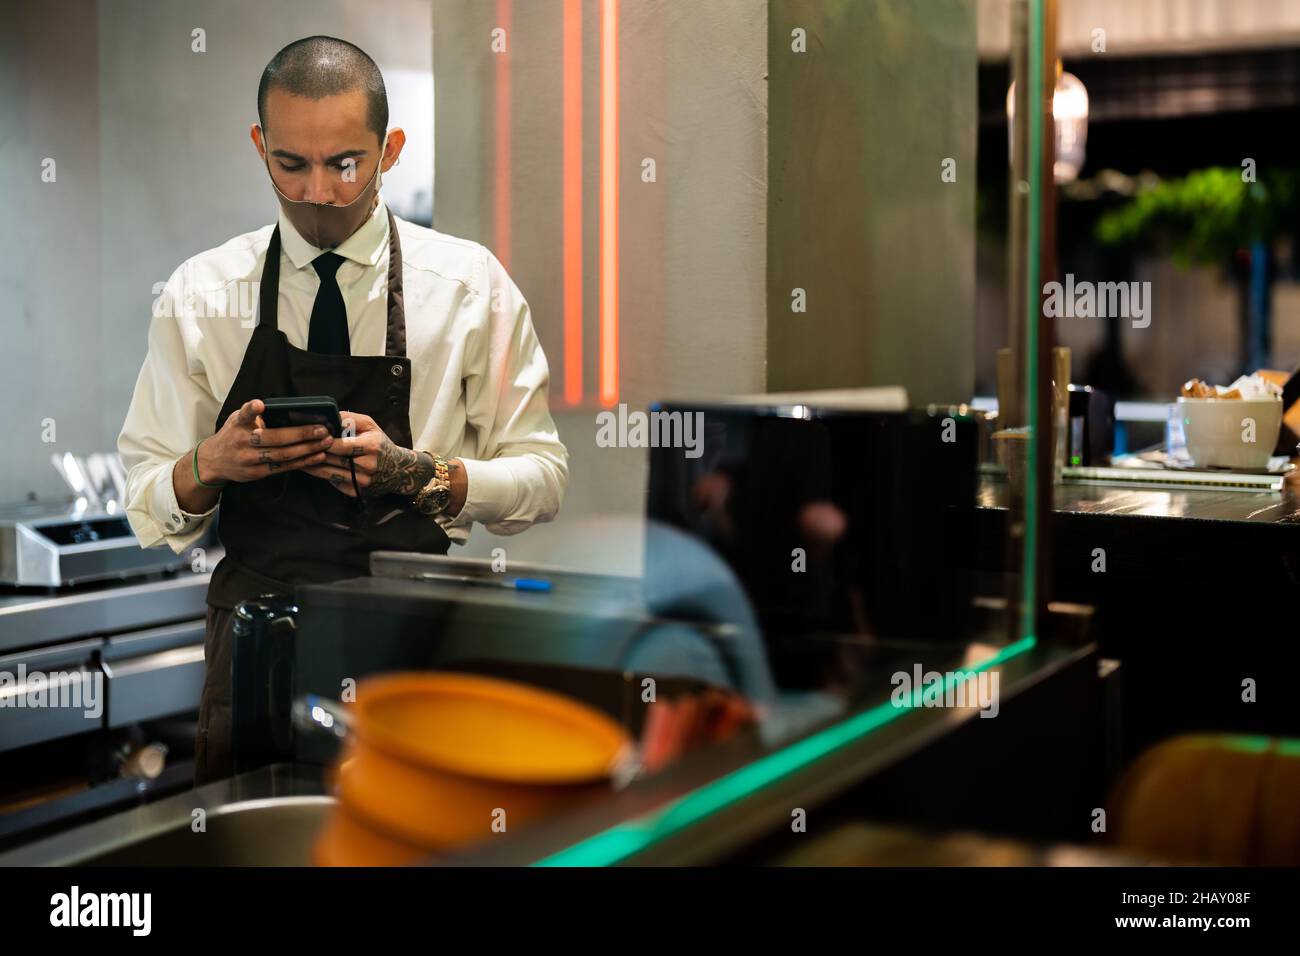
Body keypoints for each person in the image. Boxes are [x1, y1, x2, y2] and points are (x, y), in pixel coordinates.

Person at [117, 36, 568, 785]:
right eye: (290, 164)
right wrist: (209, 464)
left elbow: (544, 478)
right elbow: (144, 498)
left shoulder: (468, 287)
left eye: (345, 164)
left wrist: (417, 474)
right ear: (260, 146)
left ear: (389, 149)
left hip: (412, 638)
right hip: (257, 644)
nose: (318, 193)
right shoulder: (200, 294)